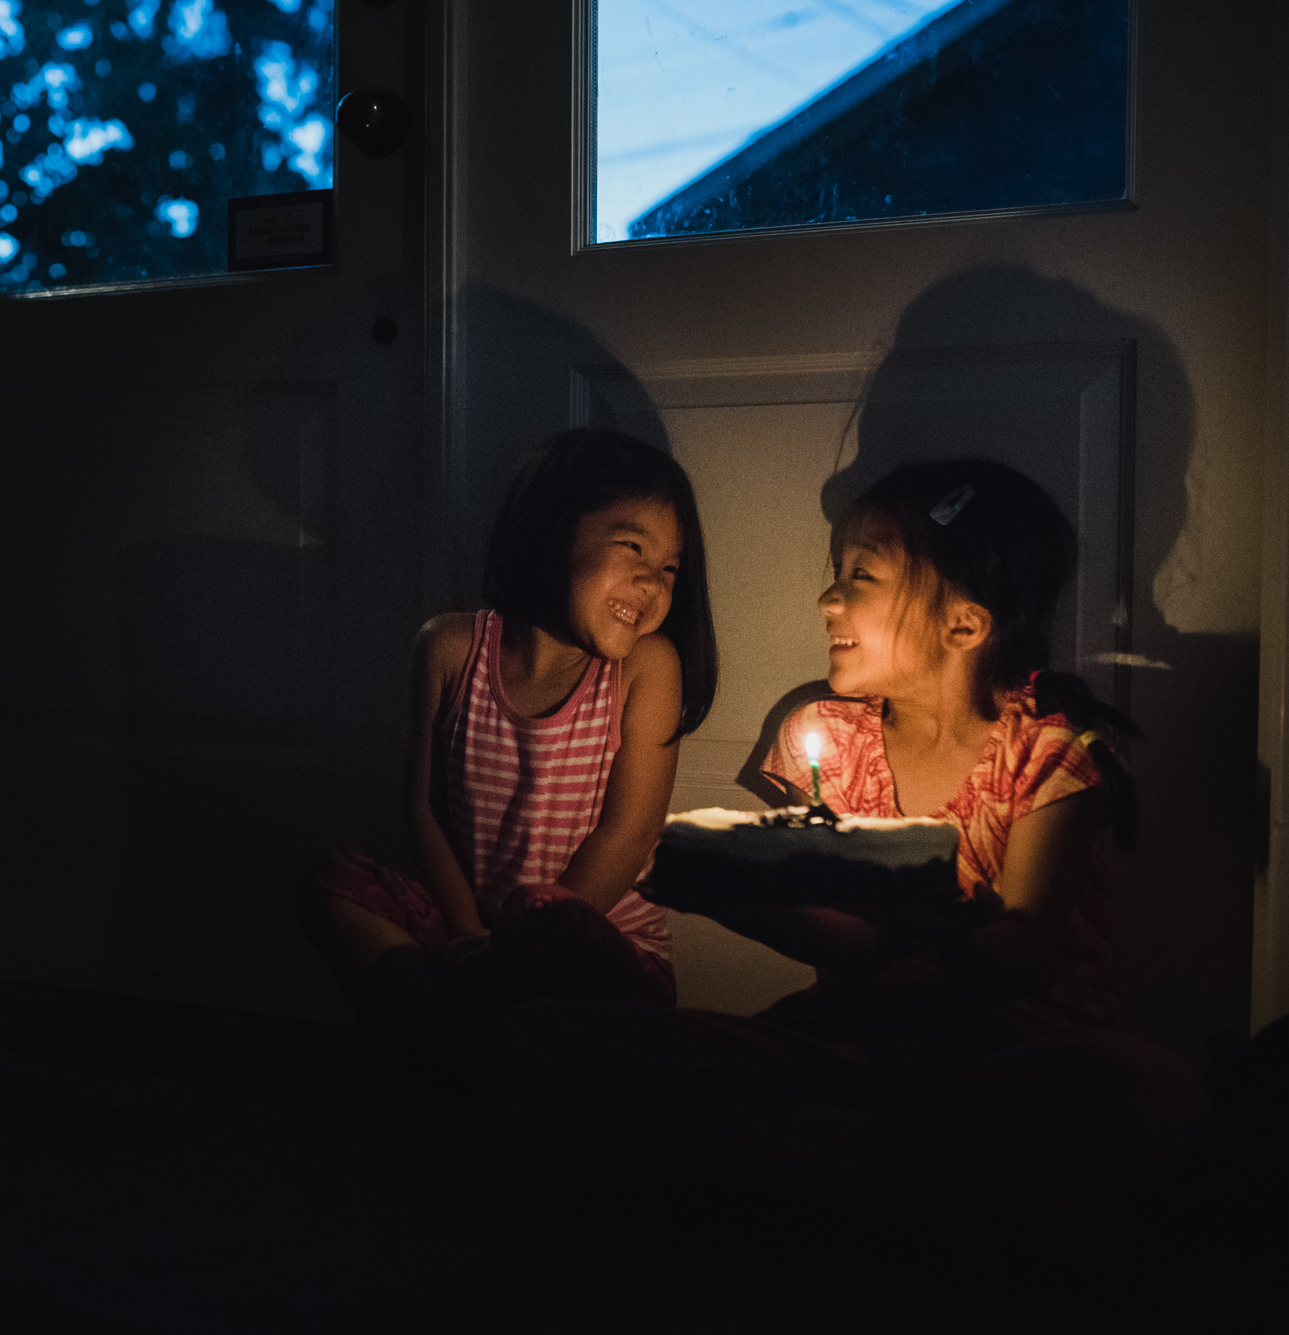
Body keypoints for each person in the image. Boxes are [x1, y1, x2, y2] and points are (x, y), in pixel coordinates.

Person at [489, 459, 1205, 1246]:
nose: (828, 598)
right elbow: (853, 949)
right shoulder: (829, 737)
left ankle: (822, 1156)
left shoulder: (1048, 748)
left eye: (860, 576)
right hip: (849, 1037)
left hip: (1010, 1051)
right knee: (543, 1040)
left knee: (1151, 1089)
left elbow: (1023, 953)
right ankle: (868, 1179)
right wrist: (734, 893)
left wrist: (901, 886)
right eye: (836, 573)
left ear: (963, 624)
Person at [297, 429, 719, 1062]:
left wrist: (515, 945)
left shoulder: (647, 667)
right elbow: (425, 809)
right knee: (331, 885)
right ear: (551, 529)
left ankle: (485, 1054)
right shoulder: (448, 648)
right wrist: (469, 934)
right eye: (632, 546)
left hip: (596, 943)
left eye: (668, 570)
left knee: (551, 930)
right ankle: (465, 1055)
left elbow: (629, 835)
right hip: (474, 927)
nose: (652, 584)